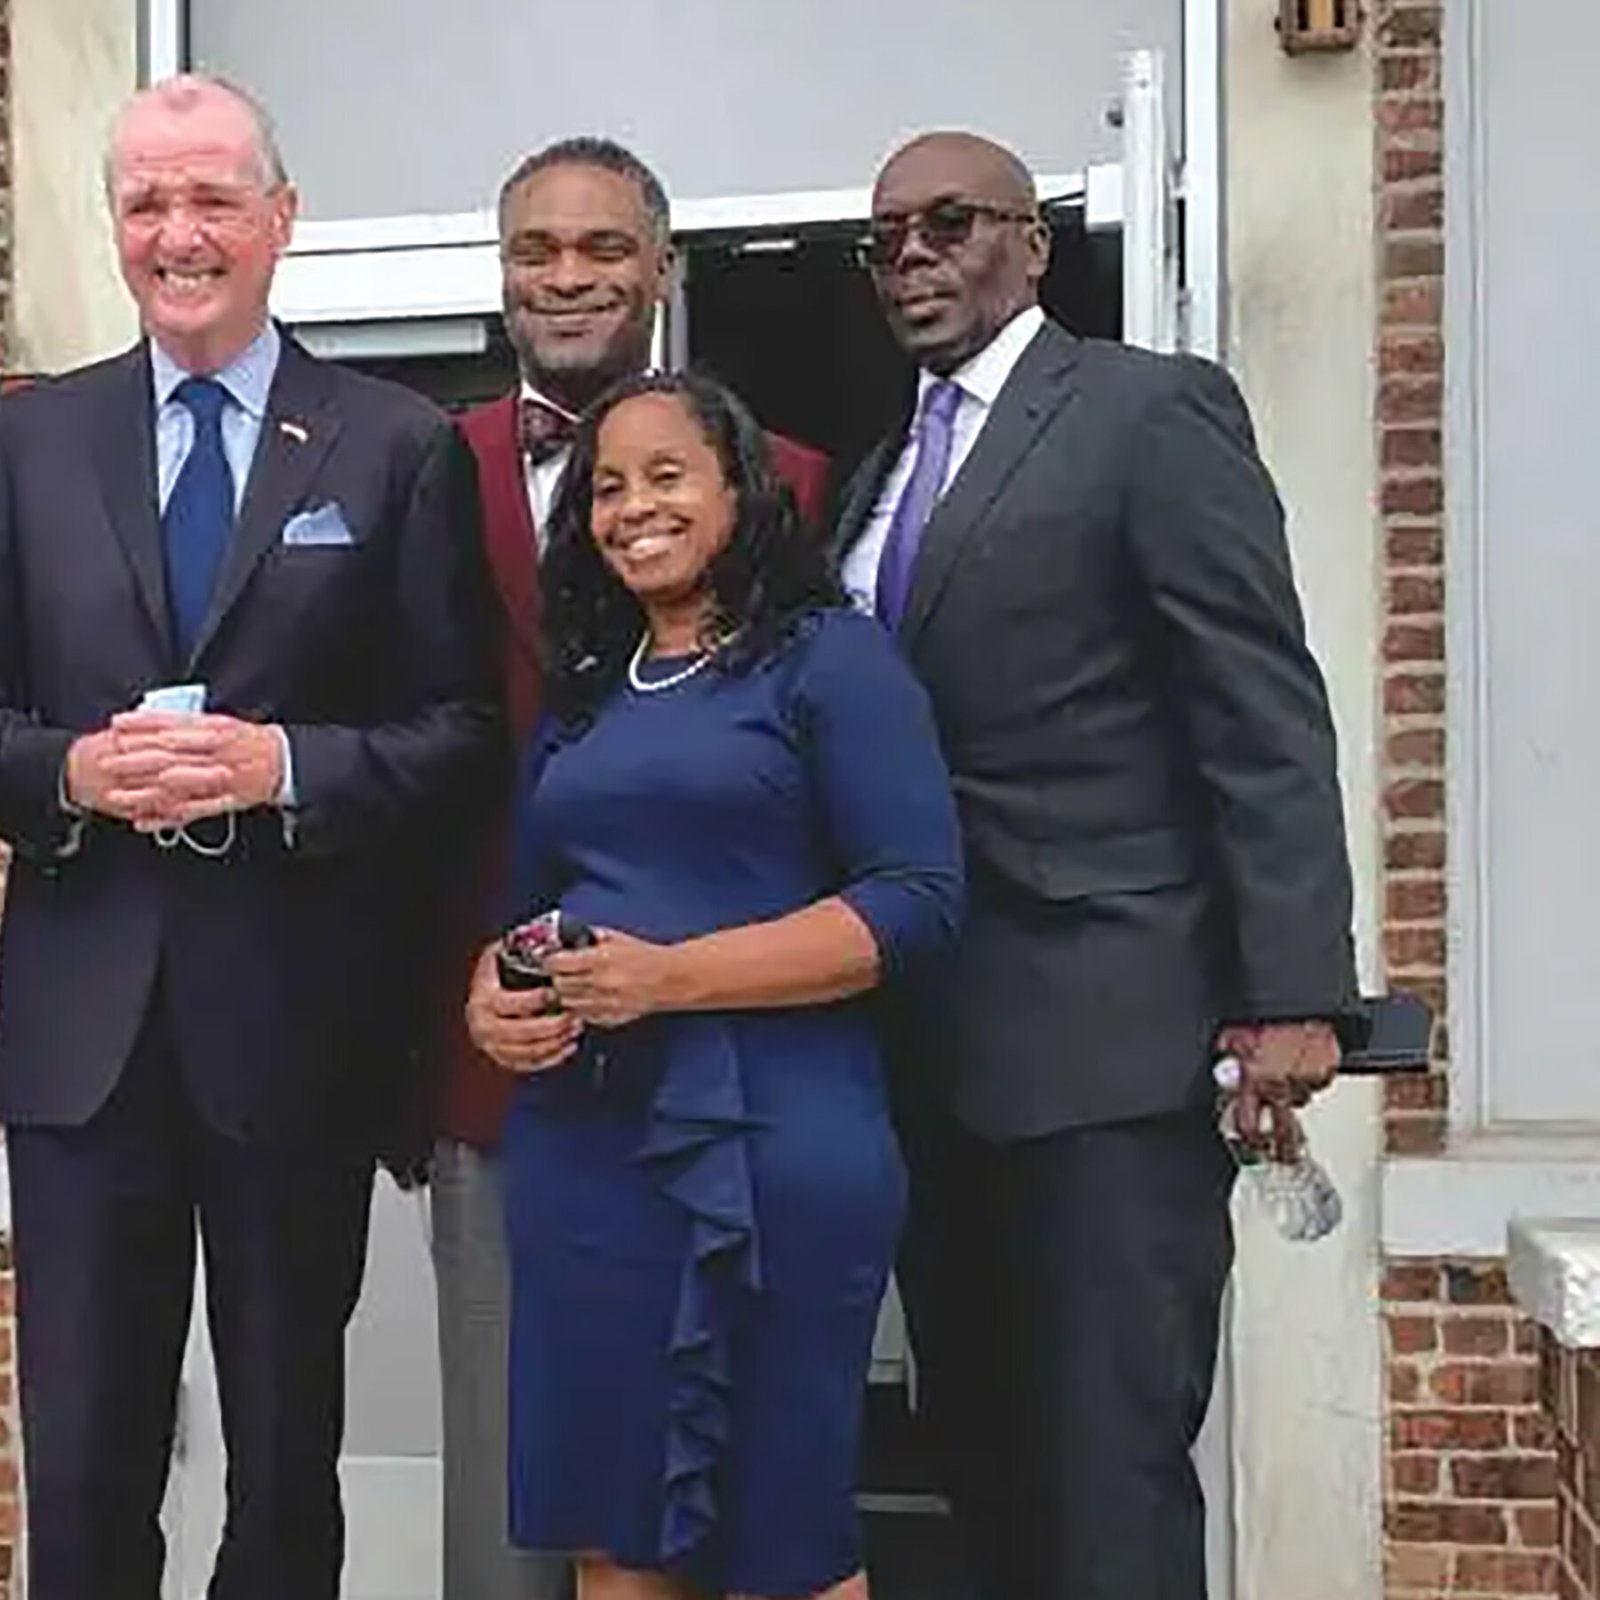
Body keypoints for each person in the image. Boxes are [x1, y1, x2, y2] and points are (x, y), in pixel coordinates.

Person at [834, 131, 1361, 1600]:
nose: (914, 255)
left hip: (1107, 1050)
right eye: (885, 238)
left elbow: (1257, 707)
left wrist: (1292, 993)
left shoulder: (1145, 412)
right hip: (930, 1055)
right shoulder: (878, 475)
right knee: (983, 1472)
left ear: (1035, 242)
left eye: (950, 222)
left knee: (1104, 1484)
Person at [0, 75, 500, 1599]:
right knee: (82, 1465)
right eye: (146, 202)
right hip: (84, 1039)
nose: (179, 233)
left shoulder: (392, 444)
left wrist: (284, 765)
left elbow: (460, 731)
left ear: (283, 220)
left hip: (296, 1024)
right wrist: (74, 773)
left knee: (286, 1461)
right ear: (114, 225)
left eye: (212, 197)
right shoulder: (29, 444)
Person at [463, 370, 962, 1600]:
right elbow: (533, 900)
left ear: (742, 488)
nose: (633, 507)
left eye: (666, 475)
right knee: (612, 1530)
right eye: (606, 488)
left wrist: (672, 979)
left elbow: (915, 900)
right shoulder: (589, 692)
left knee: (780, 1539)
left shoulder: (830, 660)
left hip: (776, 1143)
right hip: (589, 1154)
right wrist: (492, 989)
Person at [434, 137, 829, 1600]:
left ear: (662, 267)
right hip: (502, 1041)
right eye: (536, 248)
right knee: (519, 1490)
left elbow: (822, 789)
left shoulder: (791, 478)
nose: (568, 276)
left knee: (732, 1478)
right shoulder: (430, 464)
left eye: (604, 247)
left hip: (730, 1058)